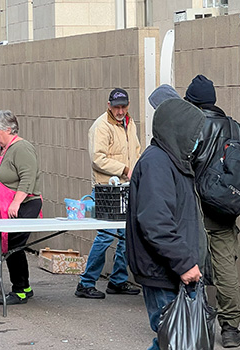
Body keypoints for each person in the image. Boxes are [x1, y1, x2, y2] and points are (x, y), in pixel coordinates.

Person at [161, 76, 240, 347]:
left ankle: (185, 320)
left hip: (193, 208)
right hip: (225, 211)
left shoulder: (192, 128)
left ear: (190, 102)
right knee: (225, 267)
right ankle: (231, 329)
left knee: (185, 261)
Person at [126, 98, 206, 350]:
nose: (197, 141)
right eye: (194, 134)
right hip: (164, 271)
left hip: (172, 269)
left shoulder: (173, 160)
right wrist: (183, 263)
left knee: (172, 340)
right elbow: (156, 222)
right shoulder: (157, 163)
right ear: (178, 130)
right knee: (173, 340)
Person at [75, 87, 141, 299]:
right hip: (106, 191)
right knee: (104, 235)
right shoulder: (101, 126)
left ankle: (118, 280)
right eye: (116, 107)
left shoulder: (130, 124)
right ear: (109, 106)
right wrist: (124, 169)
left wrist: (137, 172)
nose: (120, 111)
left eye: (123, 106)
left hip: (125, 189)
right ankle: (85, 283)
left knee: (125, 235)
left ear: (128, 106)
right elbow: (98, 158)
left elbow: (136, 152)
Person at [0, 110, 42, 305]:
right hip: (9, 206)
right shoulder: (5, 149)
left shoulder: (21, 148)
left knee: (14, 246)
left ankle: (19, 289)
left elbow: (28, 175)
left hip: (25, 205)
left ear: (8, 129)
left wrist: (16, 202)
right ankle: (24, 287)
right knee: (12, 247)